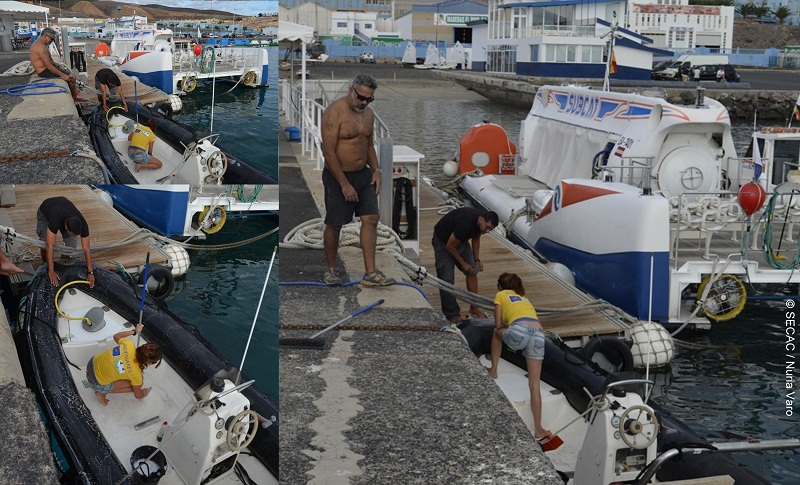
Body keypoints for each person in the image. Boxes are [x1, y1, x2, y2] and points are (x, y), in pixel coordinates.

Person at [320, 74, 395, 287]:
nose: (364, 102)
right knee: (335, 223)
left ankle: (370, 272)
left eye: (369, 99)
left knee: (371, 219)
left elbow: (368, 144)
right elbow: (329, 152)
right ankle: (331, 270)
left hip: (363, 174)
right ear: (351, 90)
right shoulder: (334, 113)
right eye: (361, 97)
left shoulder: (368, 115)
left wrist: (377, 169)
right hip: (338, 176)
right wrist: (344, 184)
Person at [488, 272, 552, 442]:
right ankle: (539, 429)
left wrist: (508, 328)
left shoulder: (500, 295)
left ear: (500, 287)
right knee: (534, 384)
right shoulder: (525, 299)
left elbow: (498, 324)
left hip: (519, 330)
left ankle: (493, 370)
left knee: (496, 333)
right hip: (538, 334)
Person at [432, 207, 498, 323]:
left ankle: (474, 307)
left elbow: (476, 239)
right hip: (443, 242)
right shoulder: (466, 223)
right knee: (446, 279)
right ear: (481, 219)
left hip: (459, 240)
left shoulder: (480, 223)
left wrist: (476, 260)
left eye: (490, 229)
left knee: (473, 271)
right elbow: (449, 247)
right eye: (487, 227)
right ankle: (452, 315)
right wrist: (463, 263)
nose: (487, 231)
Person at [85, 323, 162, 406]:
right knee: (135, 386)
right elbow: (138, 396)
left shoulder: (128, 344)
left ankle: (103, 388)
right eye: (154, 362)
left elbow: (116, 336)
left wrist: (135, 331)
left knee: (121, 371)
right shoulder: (136, 375)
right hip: (95, 383)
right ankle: (101, 393)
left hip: (91, 363)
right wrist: (144, 392)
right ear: (149, 362)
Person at [36, 196, 94, 287]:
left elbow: (86, 249)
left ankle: (62, 263)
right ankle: (45, 264)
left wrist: (90, 273)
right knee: (44, 244)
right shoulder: (55, 219)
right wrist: (51, 271)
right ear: (66, 228)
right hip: (46, 210)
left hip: (64, 204)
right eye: (73, 234)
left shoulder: (83, 224)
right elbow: (49, 246)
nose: (75, 237)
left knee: (70, 247)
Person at [29, 27, 88, 103]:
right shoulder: (41, 47)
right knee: (71, 77)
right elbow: (49, 66)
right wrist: (63, 75)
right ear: (45, 36)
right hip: (44, 71)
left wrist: (56, 64)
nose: (51, 41)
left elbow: (49, 61)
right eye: (51, 39)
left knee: (70, 74)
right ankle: (75, 96)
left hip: (44, 69)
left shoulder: (39, 43)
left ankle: (76, 94)